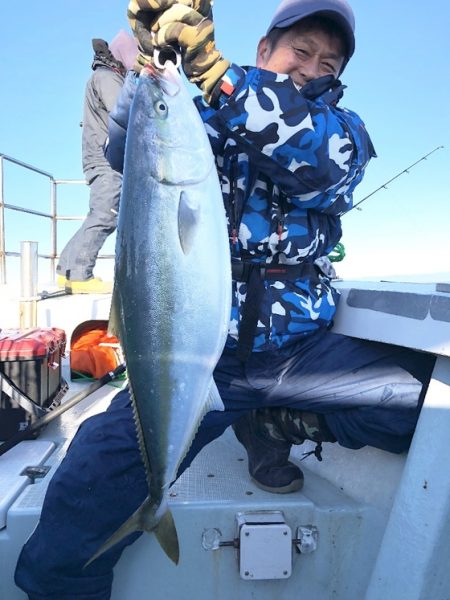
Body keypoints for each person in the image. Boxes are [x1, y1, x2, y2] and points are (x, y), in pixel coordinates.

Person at [15, 1, 435, 597]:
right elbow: (127, 146)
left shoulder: (342, 135)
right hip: (201, 360)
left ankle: (285, 420)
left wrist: (218, 73)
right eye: (300, 51)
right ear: (264, 51)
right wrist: (150, 68)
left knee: (427, 408)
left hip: (301, 353)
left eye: (327, 61)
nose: (311, 67)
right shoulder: (199, 118)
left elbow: (315, 163)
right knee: (87, 483)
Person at [56, 31, 138, 294]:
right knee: (106, 215)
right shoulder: (108, 78)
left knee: (98, 213)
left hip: (98, 157)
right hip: (106, 159)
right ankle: (80, 274)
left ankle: (66, 270)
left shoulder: (103, 76)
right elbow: (122, 112)